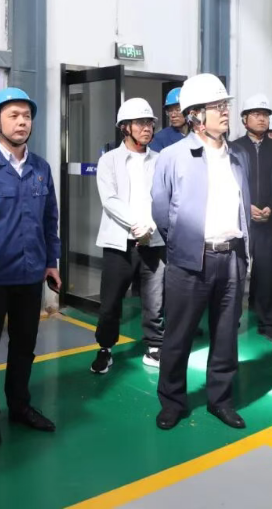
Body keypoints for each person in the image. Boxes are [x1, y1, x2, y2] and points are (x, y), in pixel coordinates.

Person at [151, 73, 251, 431]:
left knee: (226, 336)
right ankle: (172, 402)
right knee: (178, 336)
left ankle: (220, 400)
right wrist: (184, 245)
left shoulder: (238, 156)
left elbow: (243, 206)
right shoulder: (172, 157)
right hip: (190, 261)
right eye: (217, 106)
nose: (225, 111)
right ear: (195, 115)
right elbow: (161, 211)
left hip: (232, 258)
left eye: (225, 105)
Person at [0, 87, 60, 447]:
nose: (22, 122)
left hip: (30, 275)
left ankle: (20, 406)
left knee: (24, 347)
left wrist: (51, 263)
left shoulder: (41, 169)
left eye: (27, 115)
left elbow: (50, 219)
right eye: (13, 115)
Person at [91, 98, 166, 374]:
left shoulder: (161, 160)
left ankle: (155, 346)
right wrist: (136, 224)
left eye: (150, 123)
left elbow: (166, 199)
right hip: (118, 243)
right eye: (140, 123)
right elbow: (109, 199)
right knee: (110, 302)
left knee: (155, 301)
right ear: (125, 127)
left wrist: (151, 227)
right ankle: (105, 348)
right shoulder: (109, 160)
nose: (147, 128)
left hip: (153, 242)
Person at [231, 94, 272, 341]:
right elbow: (228, 185)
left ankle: (267, 322)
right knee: (235, 272)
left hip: (268, 221)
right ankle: (230, 320)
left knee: (267, 271)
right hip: (240, 220)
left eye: (265, 115)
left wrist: (271, 207)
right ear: (244, 119)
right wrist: (246, 206)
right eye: (256, 114)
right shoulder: (233, 148)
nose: (262, 119)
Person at [149, 87, 188, 152]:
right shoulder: (160, 138)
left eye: (178, 110)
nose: (173, 115)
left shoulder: (200, 134)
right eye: (170, 110)